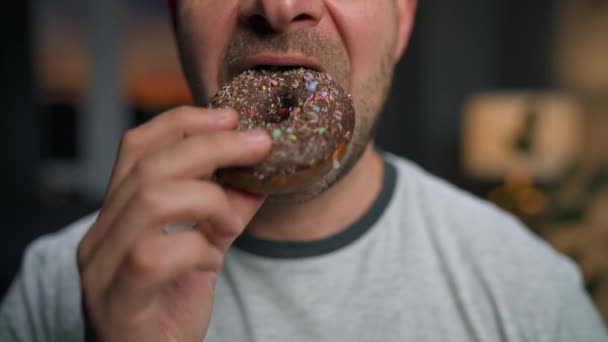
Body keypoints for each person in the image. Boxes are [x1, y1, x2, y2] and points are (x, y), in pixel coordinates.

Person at [1, 0, 607, 341]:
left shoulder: (531, 297)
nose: (280, 7)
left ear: (403, 19)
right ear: (172, 11)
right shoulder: (53, 288)